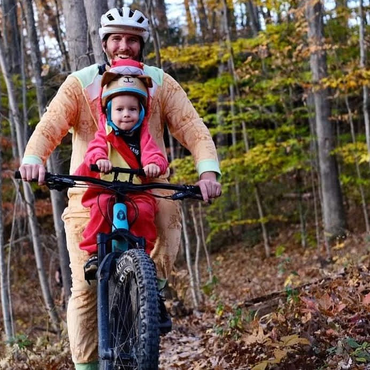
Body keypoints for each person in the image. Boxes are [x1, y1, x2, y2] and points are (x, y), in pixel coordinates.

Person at [19, 6, 222, 370]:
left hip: (148, 186)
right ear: (104, 44)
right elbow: (50, 124)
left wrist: (208, 172)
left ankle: (149, 290)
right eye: (117, 39)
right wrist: (34, 157)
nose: (124, 46)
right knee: (83, 287)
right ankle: (87, 365)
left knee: (169, 221)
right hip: (90, 189)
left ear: (142, 45)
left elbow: (192, 127)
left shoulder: (161, 83)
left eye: (132, 39)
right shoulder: (81, 83)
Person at [77, 61, 168, 258]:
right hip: (106, 189)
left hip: (135, 192)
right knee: (102, 208)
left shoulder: (143, 136)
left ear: (141, 113)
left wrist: (154, 165)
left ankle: (141, 256)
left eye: (132, 109)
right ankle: (94, 253)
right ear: (109, 112)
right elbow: (94, 151)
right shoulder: (105, 133)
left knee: (144, 211)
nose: (126, 114)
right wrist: (100, 159)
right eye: (119, 110)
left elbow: (155, 155)